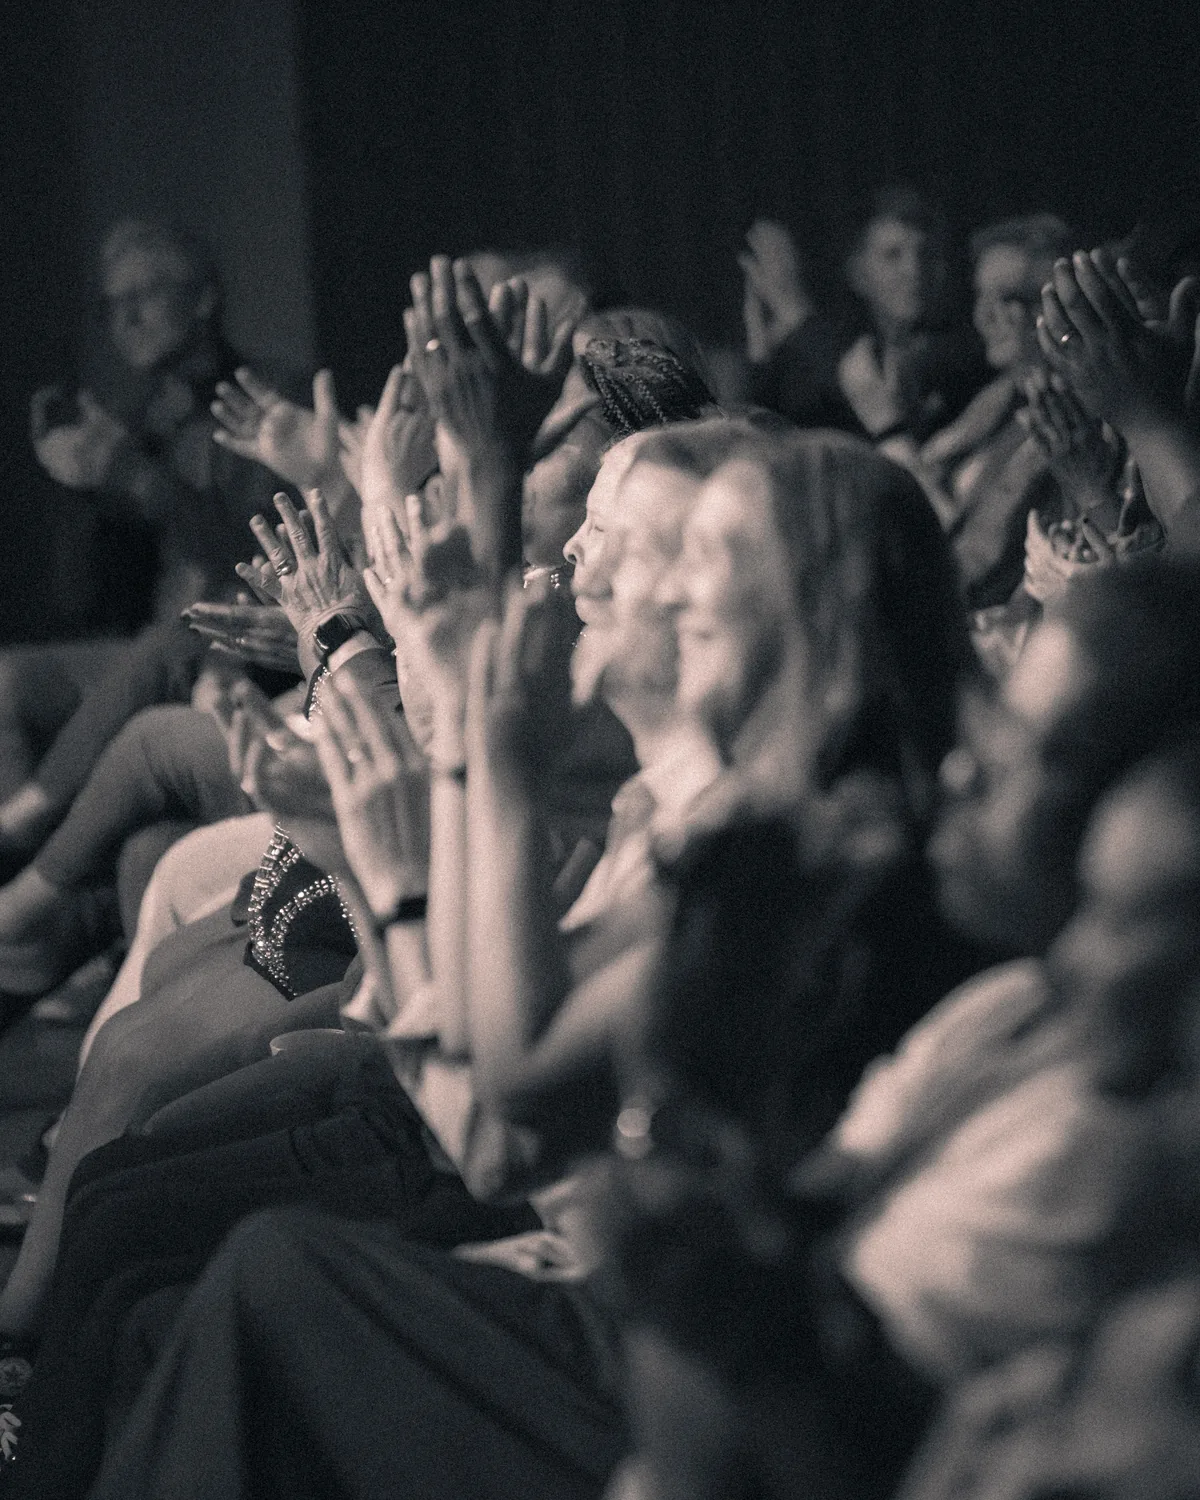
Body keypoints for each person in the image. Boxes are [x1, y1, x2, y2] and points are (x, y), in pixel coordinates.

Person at [0, 220, 287, 871]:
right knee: (12, 679)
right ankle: (30, 886)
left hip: (235, 661)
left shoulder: (266, 401)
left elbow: (255, 559)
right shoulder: (135, 419)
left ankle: (32, 863)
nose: (124, 317)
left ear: (204, 300)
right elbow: (83, 602)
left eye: (145, 294)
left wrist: (133, 477)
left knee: (168, 650)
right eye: (112, 304)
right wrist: (79, 492)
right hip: (141, 655)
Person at [741, 187, 985, 443]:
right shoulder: (846, 345)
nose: (914, 270)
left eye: (927, 254)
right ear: (858, 274)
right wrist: (763, 357)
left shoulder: (968, 351)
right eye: (893, 256)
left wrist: (797, 318)